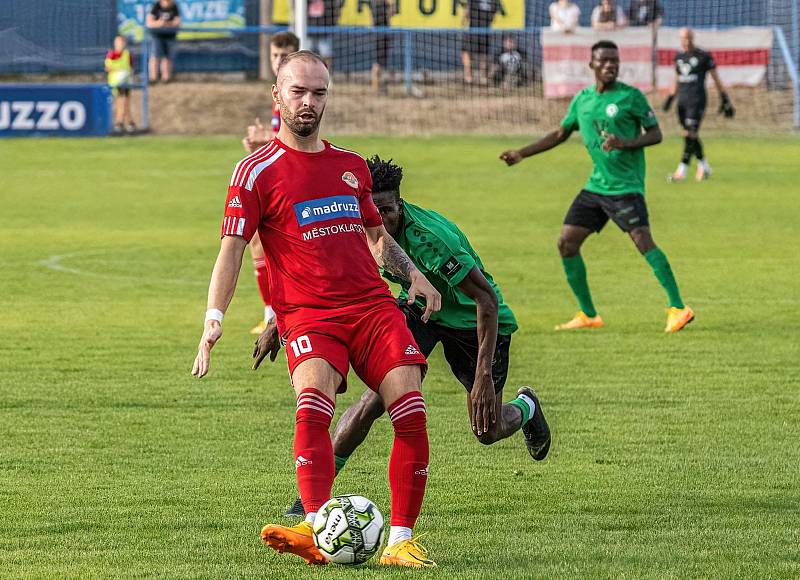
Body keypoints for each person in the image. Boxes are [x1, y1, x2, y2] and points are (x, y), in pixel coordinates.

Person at [191, 51, 442, 568]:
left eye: (319, 93)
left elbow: (377, 238)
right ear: (277, 96)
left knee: (410, 411)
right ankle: (313, 526)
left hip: (373, 308)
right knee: (312, 406)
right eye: (299, 92)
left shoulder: (350, 166)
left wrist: (414, 275)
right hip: (309, 314)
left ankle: (399, 542)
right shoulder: (255, 172)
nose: (309, 102)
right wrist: (213, 320)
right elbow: (232, 249)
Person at [254, 156, 552, 518]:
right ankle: (311, 500)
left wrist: (483, 375)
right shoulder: (357, 227)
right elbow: (323, 281)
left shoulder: (431, 240)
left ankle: (527, 407)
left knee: (487, 430)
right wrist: (276, 324)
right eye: (374, 209)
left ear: (400, 203)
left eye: (389, 209)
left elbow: (486, 300)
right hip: (419, 309)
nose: (383, 218)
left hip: (473, 321)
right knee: (373, 401)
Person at [499, 40, 694, 333]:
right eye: (603, 61)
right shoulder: (583, 100)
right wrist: (521, 153)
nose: (610, 65)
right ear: (592, 65)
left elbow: (656, 134)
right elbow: (560, 133)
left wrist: (625, 143)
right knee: (567, 243)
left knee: (643, 241)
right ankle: (589, 314)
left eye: (614, 61)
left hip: (626, 187)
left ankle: (679, 308)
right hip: (597, 187)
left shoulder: (631, 97)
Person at [240, 32, 300, 334]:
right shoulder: (279, 93)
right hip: (281, 171)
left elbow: (297, 137)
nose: (278, 61)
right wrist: (263, 144)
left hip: (295, 176)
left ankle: (282, 314)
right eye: (275, 56)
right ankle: (272, 313)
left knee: (274, 242)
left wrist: (267, 140)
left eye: (284, 56)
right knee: (256, 240)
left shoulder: (297, 93)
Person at [664, 27, 734, 182]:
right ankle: (704, 165)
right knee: (688, 135)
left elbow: (715, 77)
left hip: (697, 100)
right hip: (682, 101)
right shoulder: (679, 57)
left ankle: (681, 171)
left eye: (688, 38)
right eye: (683, 38)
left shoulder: (703, 56)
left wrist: (724, 97)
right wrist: (670, 97)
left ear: (693, 38)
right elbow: (676, 77)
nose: (686, 42)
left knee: (690, 133)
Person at [461, 0, 499, 85]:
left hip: (475, 29)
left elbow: (467, 10)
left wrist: (464, 21)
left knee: (467, 52)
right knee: (483, 54)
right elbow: (493, 15)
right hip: (484, 29)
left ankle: (469, 77)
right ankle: (483, 78)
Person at [105, 35, 136, 134]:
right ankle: (121, 123)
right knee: (120, 103)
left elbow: (131, 69)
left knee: (125, 103)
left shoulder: (127, 55)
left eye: (121, 42)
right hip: (115, 83)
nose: (120, 44)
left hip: (126, 83)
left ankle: (126, 123)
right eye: (117, 42)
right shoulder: (110, 55)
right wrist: (118, 71)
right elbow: (107, 67)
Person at [146, 0, 181, 83]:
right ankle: (153, 78)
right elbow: (149, 23)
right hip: (157, 36)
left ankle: (166, 78)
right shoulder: (156, 6)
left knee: (168, 57)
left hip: (170, 36)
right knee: (155, 56)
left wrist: (168, 24)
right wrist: (160, 23)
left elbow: (178, 22)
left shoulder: (174, 6)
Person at [307, 0, 339, 69]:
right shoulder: (304, 3)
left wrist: (331, 26)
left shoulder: (329, 2)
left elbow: (334, 12)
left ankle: (327, 75)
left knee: (326, 55)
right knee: (304, 55)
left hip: (324, 32)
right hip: (308, 31)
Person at [371, 0, 394, 94]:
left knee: (381, 63)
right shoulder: (378, 4)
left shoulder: (381, 4)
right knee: (379, 63)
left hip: (383, 33)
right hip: (381, 35)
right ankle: (376, 88)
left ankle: (379, 87)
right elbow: (385, 16)